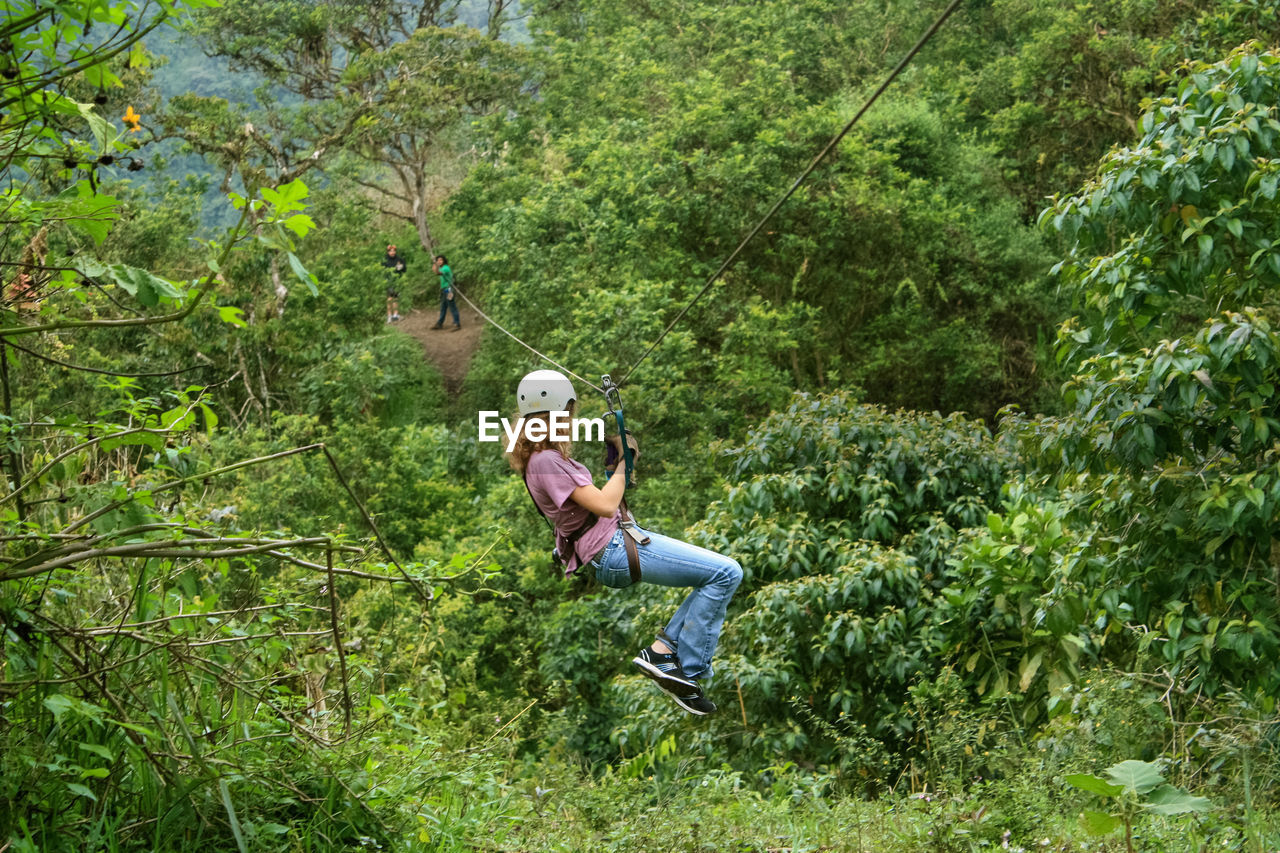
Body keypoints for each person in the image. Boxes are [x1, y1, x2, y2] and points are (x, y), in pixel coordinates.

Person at [509, 369, 742, 715]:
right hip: (613, 549)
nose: (572, 421)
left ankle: (663, 652)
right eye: (569, 413)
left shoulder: (542, 461)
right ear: (556, 414)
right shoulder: (546, 462)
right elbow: (604, 504)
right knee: (726, 572)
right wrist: (623, 462)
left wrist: (619, 463)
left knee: (715, 576)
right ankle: (686, 671)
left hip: (612, 547)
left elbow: (593, 505)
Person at [431, 254, 460, 331]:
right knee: (443, 307)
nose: (439, 261)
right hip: (444, 290)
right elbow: (434, 270)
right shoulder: (441, 268)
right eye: (438, 260)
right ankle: (439, 323)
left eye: (441, 260)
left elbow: (437, 272)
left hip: (449, 289)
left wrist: (435, 264)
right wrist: (434, 263)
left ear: (444, 261)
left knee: (452, 305)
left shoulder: (446, 268)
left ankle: (457, 323)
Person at [382, 244, 406, 322]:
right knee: (389, 298)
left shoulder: (399, 259)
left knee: (396, 297)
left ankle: (395, 314)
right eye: (390, 251)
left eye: (394, 251)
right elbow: (382, 269)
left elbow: (404, 269)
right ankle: (389, 315)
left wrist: (400, 267)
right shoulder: (385, 259)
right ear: (388, 252)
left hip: (397, 280)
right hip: (388, 280)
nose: (392, 252)